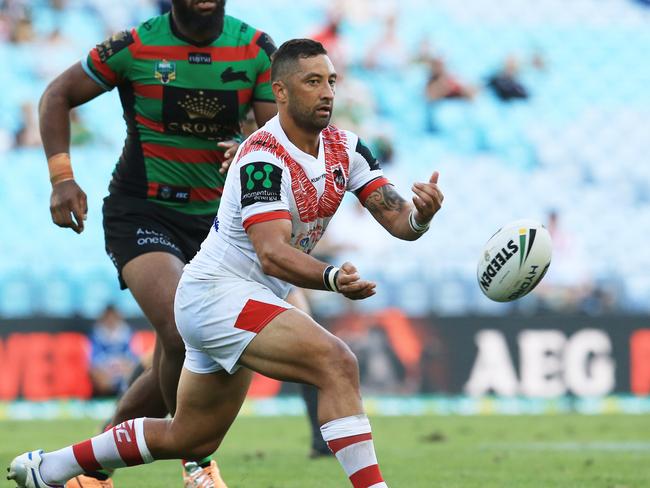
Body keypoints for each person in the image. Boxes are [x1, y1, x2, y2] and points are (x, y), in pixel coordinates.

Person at [8, 38, 444, 488]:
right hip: (220, 295)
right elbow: (271, 253)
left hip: (241, 301)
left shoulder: (346, 148)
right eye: (312, 81)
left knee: (189, 438)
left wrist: (420, 216)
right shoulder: (261, 157)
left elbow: (395, 216)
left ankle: (49, 468)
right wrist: (331, 277)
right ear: (280, 92)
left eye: (331, 81)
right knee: (337, 361)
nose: (328, 92)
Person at [37, 1, 280, 486]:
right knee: (179, 329)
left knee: (175, 353)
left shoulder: (256, 50)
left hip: (217, 224)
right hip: (141, 212)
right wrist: (62, 178)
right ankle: (195, 458)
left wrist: (250, 147)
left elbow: (276, 133)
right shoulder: (134, 45)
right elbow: (57, 94)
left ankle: (90, 469)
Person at [88, 305, 138, 397]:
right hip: (105, 370)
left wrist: (122, 365)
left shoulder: (128, 334)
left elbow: (133, 357)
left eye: (113, 317)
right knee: (95, 373)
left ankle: (127, 395)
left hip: (123, 369)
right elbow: (94, 359)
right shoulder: (96, 335)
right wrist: (109, 367)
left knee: (134, 370)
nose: (111, 321)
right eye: (108, 318)